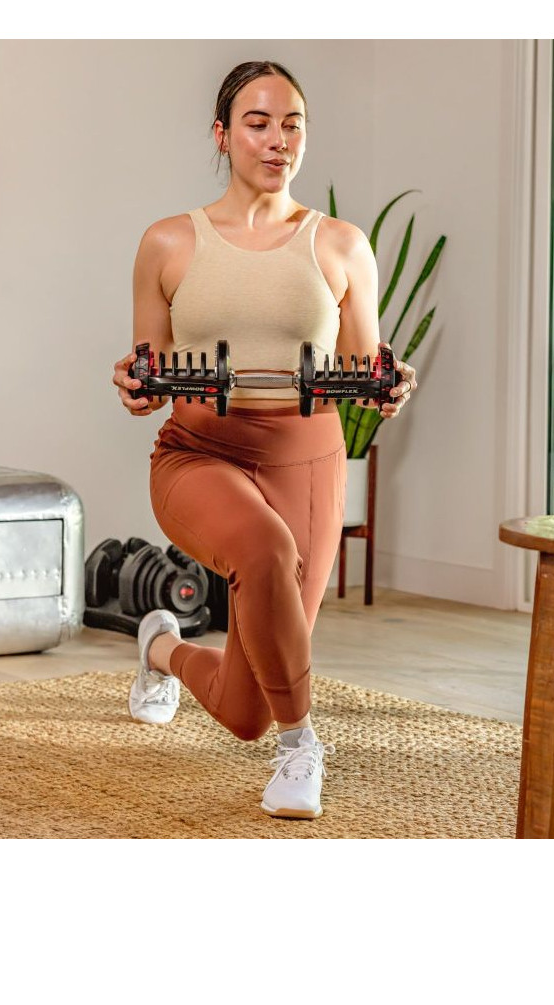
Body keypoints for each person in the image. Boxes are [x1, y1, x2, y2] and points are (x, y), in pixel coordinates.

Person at [112, 60, 417, 819]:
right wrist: (135, 383)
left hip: (306, 461)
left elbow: (363, 370)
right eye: (258, 123)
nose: (278, 139)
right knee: (263, 546)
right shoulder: (168, 243)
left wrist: (388, 385)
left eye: (292, 124)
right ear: (222, 135)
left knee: (244, 709)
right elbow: (148, 376)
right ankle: (302, 745)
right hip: (198, 455)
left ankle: (159, 648)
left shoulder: (341, 245)